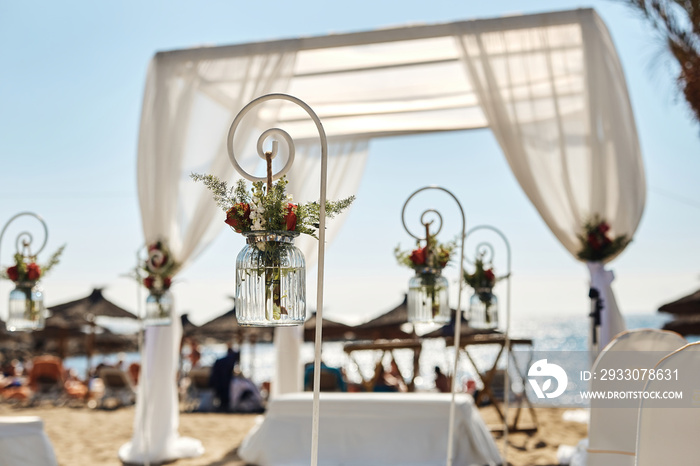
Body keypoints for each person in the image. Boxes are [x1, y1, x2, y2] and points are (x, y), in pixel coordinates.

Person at [209, 343, 240, 411]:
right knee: (225, 395)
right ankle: (224, 405)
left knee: (222, 396)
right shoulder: (230, 360)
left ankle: (223, 405)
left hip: (218, 380)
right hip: (222, 382)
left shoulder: (224, 360)